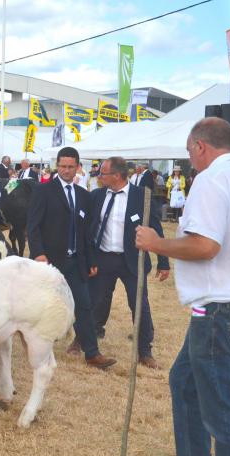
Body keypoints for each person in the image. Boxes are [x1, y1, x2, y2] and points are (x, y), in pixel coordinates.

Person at [135, 117, 230, 456]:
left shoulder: (212, 180)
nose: (190, 159)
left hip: (220, 310)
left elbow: (206, 246)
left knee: (224, 410)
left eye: (189, 152)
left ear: (200, 147)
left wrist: (154, 243)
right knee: (185, 382)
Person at [26, 146, 116, 369]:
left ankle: (92, 354)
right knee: (40, 307)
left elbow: (88, 233)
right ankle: (33, 347)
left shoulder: (84, 196)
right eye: (62, 166)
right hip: (48, 262)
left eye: (70, 167)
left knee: (84, 306)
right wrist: (38, 253)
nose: (66, 170)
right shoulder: (43, 191)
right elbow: (33, 227)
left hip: (76, 262)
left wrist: (92, 260)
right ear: (57, 166)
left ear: (78, 167)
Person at [88, 157, 170, 369]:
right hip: (104, 258)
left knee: (139, 304)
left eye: (103, 173)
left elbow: (156, 228)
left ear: (117, 175)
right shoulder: (97, 196)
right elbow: (89, 229)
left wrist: (163, 262)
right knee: (96, 300)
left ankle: (144, 351)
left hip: (132, 260)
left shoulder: (141, 196)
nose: (99, 177)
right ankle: (86, 341)